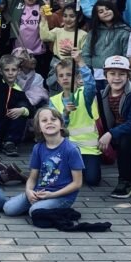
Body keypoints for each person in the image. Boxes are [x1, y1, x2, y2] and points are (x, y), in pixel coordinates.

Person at [2, 107, 85, 217]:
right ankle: (41, 206)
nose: (49, 122)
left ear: (61, 124)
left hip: (62, 196)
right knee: (8, 209)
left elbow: (77, 183)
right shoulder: (38, 148)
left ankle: (54, 208)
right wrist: (29, 191)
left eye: (53, 119)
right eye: (44, 120)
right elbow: (32, 177)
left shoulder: (71, 149)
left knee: (34, 211)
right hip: (40, 192)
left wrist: (52, 195)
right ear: (39, 127)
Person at [94, 55, 131, 199]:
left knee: (125, 139)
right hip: (117, 133)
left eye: (122, 74)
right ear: (105, 75)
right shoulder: (102, 94)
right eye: (112, 74)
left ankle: (126, 182)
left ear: (129, 76)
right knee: (121, 138)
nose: (117, 78)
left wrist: (110, 134)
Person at [49, 56, 102, 187]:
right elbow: (54, 128)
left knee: (92, 180)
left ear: (77, 77)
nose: (65, 78)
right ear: (57, 79)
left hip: (88, 148)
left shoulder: (85, 93)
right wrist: (65, 114)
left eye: (68, 74)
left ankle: (81, 169)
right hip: (67, 148)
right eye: (61, 76)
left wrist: (80, 62)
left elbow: (91, 84)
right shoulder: (54, 100)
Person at [0, 55, 33, 158]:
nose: (10, 72)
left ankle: (10, 143)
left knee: (22, 106)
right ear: (1, 71)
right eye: (6, 70)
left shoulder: (19, 91)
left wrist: (22, 110)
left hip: (8, 128)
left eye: (13, 70)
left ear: (19, 71)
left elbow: (31, 110)